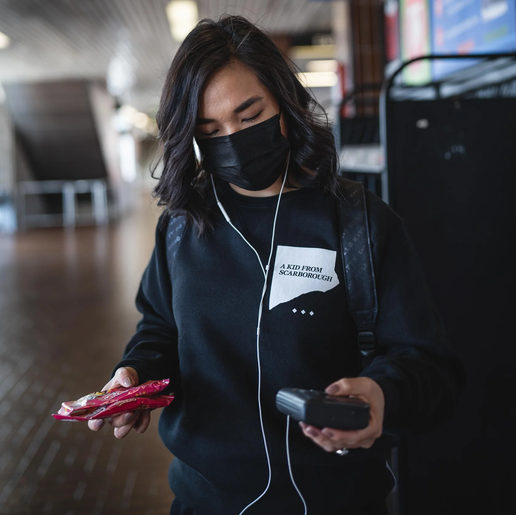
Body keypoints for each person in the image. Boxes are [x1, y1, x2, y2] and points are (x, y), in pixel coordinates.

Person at [88, 15, 465, 515]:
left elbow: (430, 367)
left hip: (338, 501)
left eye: (249, 116)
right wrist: (136, 373)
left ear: (285, 104)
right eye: (211, 129)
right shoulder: (182, 227)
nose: (234, 139)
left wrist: (382, 393)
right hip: (205, 502)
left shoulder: (358, 223)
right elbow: (160, 328)